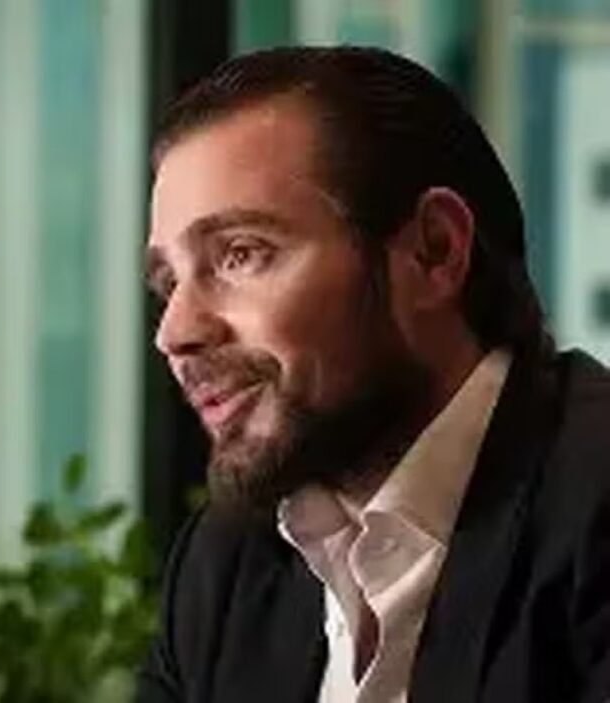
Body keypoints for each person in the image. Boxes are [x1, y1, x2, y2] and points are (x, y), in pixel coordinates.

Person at [137, 46, 610, 703]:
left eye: (241, 254)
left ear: (432, 252)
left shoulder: (592, 504)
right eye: (169, 284)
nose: (175, 333)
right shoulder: (226, 567)